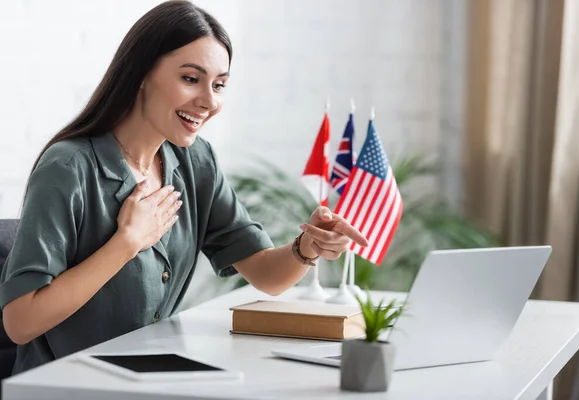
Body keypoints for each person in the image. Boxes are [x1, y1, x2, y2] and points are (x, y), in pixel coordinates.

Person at [0, 0, 368, 375]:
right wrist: (126, 243)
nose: (210, 101)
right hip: (63, 384)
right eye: (191, 79)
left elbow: (266, 275)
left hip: (150, 377)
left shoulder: (195, 162)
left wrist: (307, 246)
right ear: (141, 73)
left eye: (220, 85)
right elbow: (20, 321)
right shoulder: (68, 167)